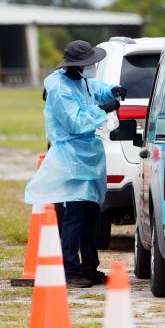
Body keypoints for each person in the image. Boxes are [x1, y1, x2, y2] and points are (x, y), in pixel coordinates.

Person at [25, 40, 126, 288]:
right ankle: (70, 269)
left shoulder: (77, 79)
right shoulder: (59, 89)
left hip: (87, 155)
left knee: (91, 213)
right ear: (79, 64)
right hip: (71, 156)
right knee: (75, 215)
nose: (91, 66)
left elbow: (92, 88)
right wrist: (104, 109)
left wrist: (111, 90)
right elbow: (75, 122)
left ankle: (89, 267)